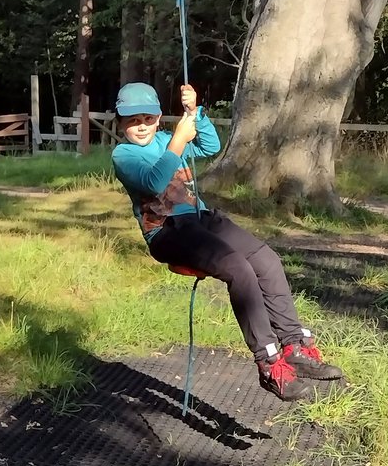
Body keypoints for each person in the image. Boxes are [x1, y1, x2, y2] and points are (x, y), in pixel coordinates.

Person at [111, 81, 343, 401]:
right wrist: (177, 141)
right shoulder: (123, 155)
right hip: (167, 231)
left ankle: (294, 346)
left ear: (159, 117)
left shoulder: (166, 138)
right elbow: (155, 181)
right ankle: (269, 363)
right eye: (131, 120)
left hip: (201, 219)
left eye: (147, 119)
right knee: (238, 268)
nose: (140, 126)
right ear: (120, 123)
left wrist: (196, 114)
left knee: (266, 260)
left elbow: (210, 146)